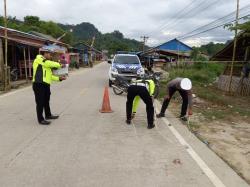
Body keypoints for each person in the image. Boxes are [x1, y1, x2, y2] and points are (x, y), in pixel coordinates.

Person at [32, 46, 66, 125]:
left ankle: (48, 115)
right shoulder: (39, 59)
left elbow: (50, 76)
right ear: (45, 54)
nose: (50, 56)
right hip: (38, 84)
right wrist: (59, 64)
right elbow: (48, 63)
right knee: (40, 102)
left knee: (46, 101)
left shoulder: (46, 65)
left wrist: (59, 78)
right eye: (49, 54)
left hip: (46, 85)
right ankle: (40, 119)